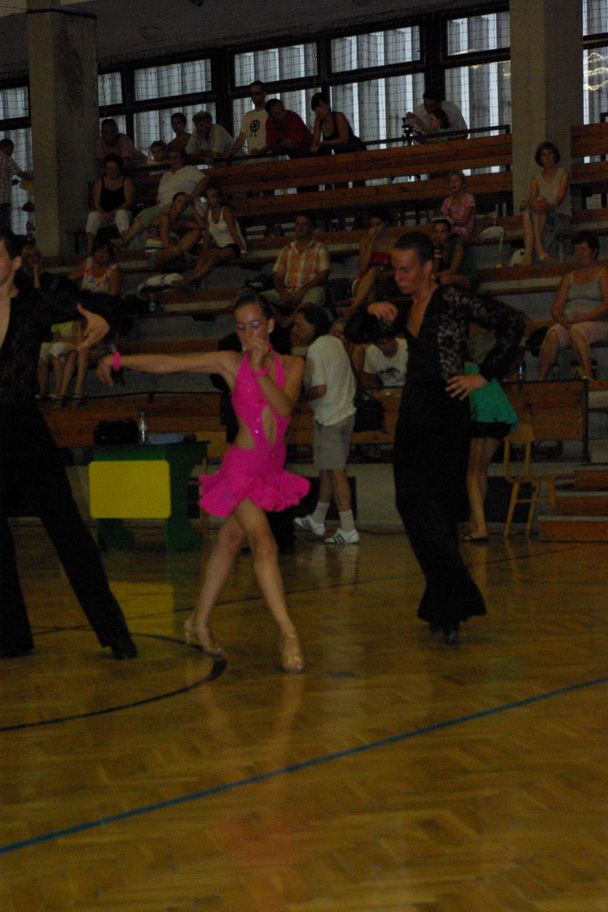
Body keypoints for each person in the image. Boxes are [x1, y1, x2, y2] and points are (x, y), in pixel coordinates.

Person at [97, 292, 308, 673]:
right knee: (263, 541)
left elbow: (283, 407)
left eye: (255, 325)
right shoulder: (230, 362)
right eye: (241, 327)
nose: (248, 334)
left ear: (270, 325)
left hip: (271, 471)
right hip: (242, 468)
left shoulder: (294, 364)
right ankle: (288, 632)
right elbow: (170, 364)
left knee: (229, 541)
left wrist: (261, 371)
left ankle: (199, 621)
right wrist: (119, 359)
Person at [345, 231, 524, 643]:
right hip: (414, 407)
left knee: (441, 507)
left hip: (449, 408)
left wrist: (484, 375)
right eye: (395, 269)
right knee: (409, 500)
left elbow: (513, 323)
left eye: (406, 269)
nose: (399, 277)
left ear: (428, 268)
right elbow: (354, 330)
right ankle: (451, 598)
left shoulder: (453, 299)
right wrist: (368, 306)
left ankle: (445, 608)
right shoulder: (401, 306)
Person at [0, 230, 137, 660]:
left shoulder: (34, 303)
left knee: (67, 529)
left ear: (15, 263)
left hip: (23, 424)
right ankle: (11, 636)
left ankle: (114, 631)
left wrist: (100, 320)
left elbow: (108, 305)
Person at [292, 305, 359, 544]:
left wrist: (297, 397)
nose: (295, 329)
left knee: (336, 471)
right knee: (327, 469)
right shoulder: (334, 343)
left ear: (313, 325)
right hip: (342, 412)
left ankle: (348, 528)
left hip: (331, 417)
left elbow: (320, 389)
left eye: (299, 324)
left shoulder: (317, 348)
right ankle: (318, 519)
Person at [464, 328, 518, 543]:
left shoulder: (466, 371)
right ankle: (476, 522)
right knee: (480, 471)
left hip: (480, 416)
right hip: (500, 417)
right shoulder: (488, 374)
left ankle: (481, 527)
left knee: (471, 473)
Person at [538, 231, 608, 380]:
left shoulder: (603, 274)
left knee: (577, 331)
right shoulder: (568, 277)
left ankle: (588, 377)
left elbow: (607, 306)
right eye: (576, 250)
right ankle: (541, 379)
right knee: (553, 333)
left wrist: (584, 318)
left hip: (598, 322)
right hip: (571, 322)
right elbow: (556, 307)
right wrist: (560, 319)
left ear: (594, 251)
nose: (580, 253)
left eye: (583, 249)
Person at [113, 147, 208, 249]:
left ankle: (126, 240)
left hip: (182, 205)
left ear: (182, 158)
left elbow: (205, 180)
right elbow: (159, 198)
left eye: (176, 157)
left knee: (161, 214)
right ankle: (128, 240)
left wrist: (189, 197)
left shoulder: (189, 170)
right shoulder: (166, 175)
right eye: (170, 157)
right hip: (164, 206)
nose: (173, 160)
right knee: (147, 213)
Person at [263, 212, 331, 326]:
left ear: (312, 228)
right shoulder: (286, 249)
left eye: (304, 224)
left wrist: (302, 291)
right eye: (297, 224)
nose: (300, 227)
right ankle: (282, 320)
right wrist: (282, 291)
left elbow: (323, 275)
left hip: (310, 290)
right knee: (258, 299)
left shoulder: (320, 248)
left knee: (313, 298)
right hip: (288, 290)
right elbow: (278, 277)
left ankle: (289, 321)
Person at [187, 182, 246, 286]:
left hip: (234, 246)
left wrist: (243, 250)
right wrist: (204, 252)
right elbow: (207, 235)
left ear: (219, 199)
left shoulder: (226, 211)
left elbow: (233, 231)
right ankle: (195, 280)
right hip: (220, 248)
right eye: (207, 197)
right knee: (207, 257)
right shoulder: (208, 213)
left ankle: (192, 280)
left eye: (213, 196)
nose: (209, 200)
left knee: (212, 256)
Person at [521, 141, 571, 265]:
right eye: (544, 155)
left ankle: (530, 253)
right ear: (539, 159)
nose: (547, 157)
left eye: (550, 153)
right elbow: (532, 199)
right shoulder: (535, 179)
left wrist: (547, 205)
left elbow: (560, 198)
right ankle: (537, 249)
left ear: (555, 155)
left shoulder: (563, 174)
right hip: (541, 214)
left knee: (538, 206)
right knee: (531, 209)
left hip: (559, 214)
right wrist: (537, 203)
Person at [345, 207, 394, 315]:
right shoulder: (365, 241)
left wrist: (379, 273)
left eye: (378, 224)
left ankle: (355, 306)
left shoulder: (393, 242)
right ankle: (370, 317)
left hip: (384, 280)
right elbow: (363, 268)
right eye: (372, 225)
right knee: (371, 288)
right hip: (364, 281)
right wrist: (371, 242)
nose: (375, 229)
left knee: (374, 271)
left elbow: (396, 269)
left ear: (386, 223)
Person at [85, 154, 135, 254]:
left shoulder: (126, 181)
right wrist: (104, 213)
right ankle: (90, 248)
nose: (111, 171)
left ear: (119, 169)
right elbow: (96, 203)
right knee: (92, 216)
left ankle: (125, 244)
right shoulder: (100, 182)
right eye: (109, 168)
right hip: (104, 215)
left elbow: (128, 201)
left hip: (121, 212)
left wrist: (113, 213)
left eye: (114, 168)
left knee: (121, 214)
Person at [145, 191, 205, 269]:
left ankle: (182, 258)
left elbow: (202, 226)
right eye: (179, 201)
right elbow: (165, 244)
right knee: (177, 250)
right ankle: (184, 258)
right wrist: (179, 251)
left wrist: (193, 210)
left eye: (185, 204)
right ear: (173, 203)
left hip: (174, 252)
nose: (182, 205)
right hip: (156, 255)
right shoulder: (165, 218)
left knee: (197, 232)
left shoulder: (180, 222)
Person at [431, 217, 479, 291]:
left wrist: (434, 276)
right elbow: (435, 270)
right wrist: (436, 249)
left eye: (443, 232)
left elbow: (453, 270)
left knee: (445, 279)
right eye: (436, 232)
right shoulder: (436, 246)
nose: (439, 235)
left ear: (449, 233)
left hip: (468, 276)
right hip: (448, 277)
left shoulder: (457, 243)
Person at [227, 81, 269, 159]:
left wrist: (261, 151)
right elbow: (241, 139)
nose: (254, 96)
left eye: (257, 93)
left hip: (269, 159)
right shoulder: (248, 116)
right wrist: (230, 154)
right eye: (251, 94)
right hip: (253, 159)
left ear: (265, 93)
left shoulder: (270, 113)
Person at [0, 138, 30, 232]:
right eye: (11, 149)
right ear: (6, 147)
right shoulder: (6, 159)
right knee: (4, 229)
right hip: (2, 202)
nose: (12, 152)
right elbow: (22, 175)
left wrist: (11, 183)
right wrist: (36, 178)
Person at [440, 171, 476, 240]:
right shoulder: (447, 201)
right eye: (451, 181)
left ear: (463, 184)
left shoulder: (468, 198)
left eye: (456, 180)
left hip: (464, 231)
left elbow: (464, 221)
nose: (453, 183)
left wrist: (451, 222)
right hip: (451, 230)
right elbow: (445, 219)